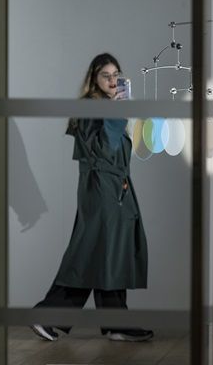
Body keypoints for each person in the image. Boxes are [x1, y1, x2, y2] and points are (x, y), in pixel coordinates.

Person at [30, 53, 153, 342]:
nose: (112, 81)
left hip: (114, 190)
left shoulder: (109, 108)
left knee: (108, 254)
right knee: (91, 253)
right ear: (94, 79)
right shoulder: (89, 108)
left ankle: (114, 322)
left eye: (116, 75)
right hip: (101, 192)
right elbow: (103, 149)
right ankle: (48, 315)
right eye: (106, 76)